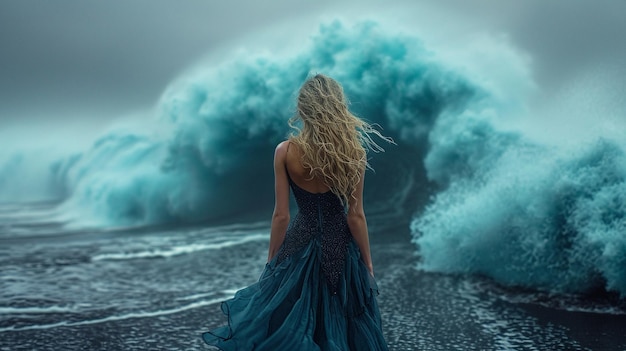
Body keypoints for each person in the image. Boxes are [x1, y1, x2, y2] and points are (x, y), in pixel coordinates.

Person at [202, 74, 392, 350]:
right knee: (341, 324)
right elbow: (356, 214)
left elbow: (281, 214)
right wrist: (368, 262)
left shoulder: (285, 151)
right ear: (338, 107)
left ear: (303, 108)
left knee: (294, 321)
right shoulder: (353, 152)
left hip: (297, 245)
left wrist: (272, 260)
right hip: (339, 248)